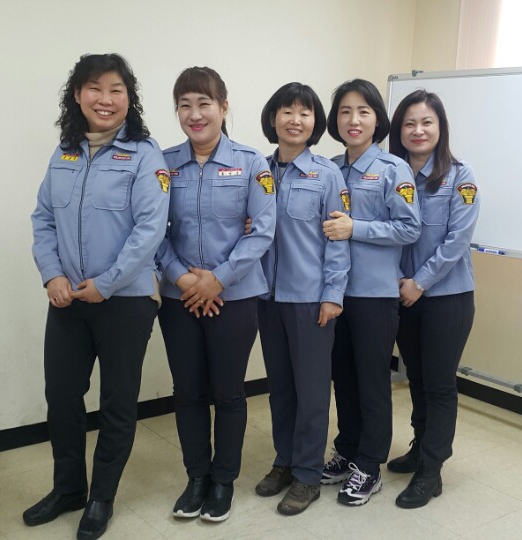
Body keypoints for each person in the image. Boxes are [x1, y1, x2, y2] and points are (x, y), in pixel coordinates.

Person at [27, 53, 169, 540]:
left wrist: (106, 283)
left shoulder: (145, 154)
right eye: (94, 88)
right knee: (62, 397)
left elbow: (150, 229)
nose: (105, 99)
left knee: (117, 402)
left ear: (129, 98)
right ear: (77, 95)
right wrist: (52, 276)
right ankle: (69, 488)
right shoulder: (64, 152)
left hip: (126, 299)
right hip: (68, 298)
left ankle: (101, 497)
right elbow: (43, 219)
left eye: (116, 90)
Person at [156, 66, 276, 522]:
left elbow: (262, 230)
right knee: (187, 391)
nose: (195, 114)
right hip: (179, 298)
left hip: (236, 297)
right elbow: (151, 228)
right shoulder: (163, 164)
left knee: (227, 391)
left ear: (223, 107)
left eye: (204, 103)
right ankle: (196, 478)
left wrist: (217, 279)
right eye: (184, 105)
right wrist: (184, 279)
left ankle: (223, 480)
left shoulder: (252, 163)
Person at [321, 79, 421, 506]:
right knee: (342, 378)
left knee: (371, 382)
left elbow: (409, 228)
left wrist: (355, 228)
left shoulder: (393, 169)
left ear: (377, 119)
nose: (354, 120)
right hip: (334, 292)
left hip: (374, 296)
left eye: (363, 111)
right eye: (345, 111)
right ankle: (347, 449)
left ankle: (370, 463)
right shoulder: (329, 168)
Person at [253, 83, 350, 515]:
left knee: (311, 393)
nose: (295, 120)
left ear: (315, 122)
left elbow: (338, 241)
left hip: (310, 300)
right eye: (287, 111)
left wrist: (333, 294)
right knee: (280, 389)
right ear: (273, 118)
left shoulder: (327, 175)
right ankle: (285, 461)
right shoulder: (257, 169)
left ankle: (308, 474)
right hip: (265, 297)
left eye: (305, 113)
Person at [387, 89, 479, 509]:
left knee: (439, 385)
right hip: (403, 295)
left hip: (446, 297)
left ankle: (431, 469)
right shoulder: (392, 173)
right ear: (399, 130)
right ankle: (420, 447)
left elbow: (457, 240)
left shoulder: (461, 176)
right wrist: (400, 283)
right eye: (409, 123)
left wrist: (419, 283)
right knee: (418, 380)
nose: (418, 130)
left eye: (427, 122)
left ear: (440, 128)